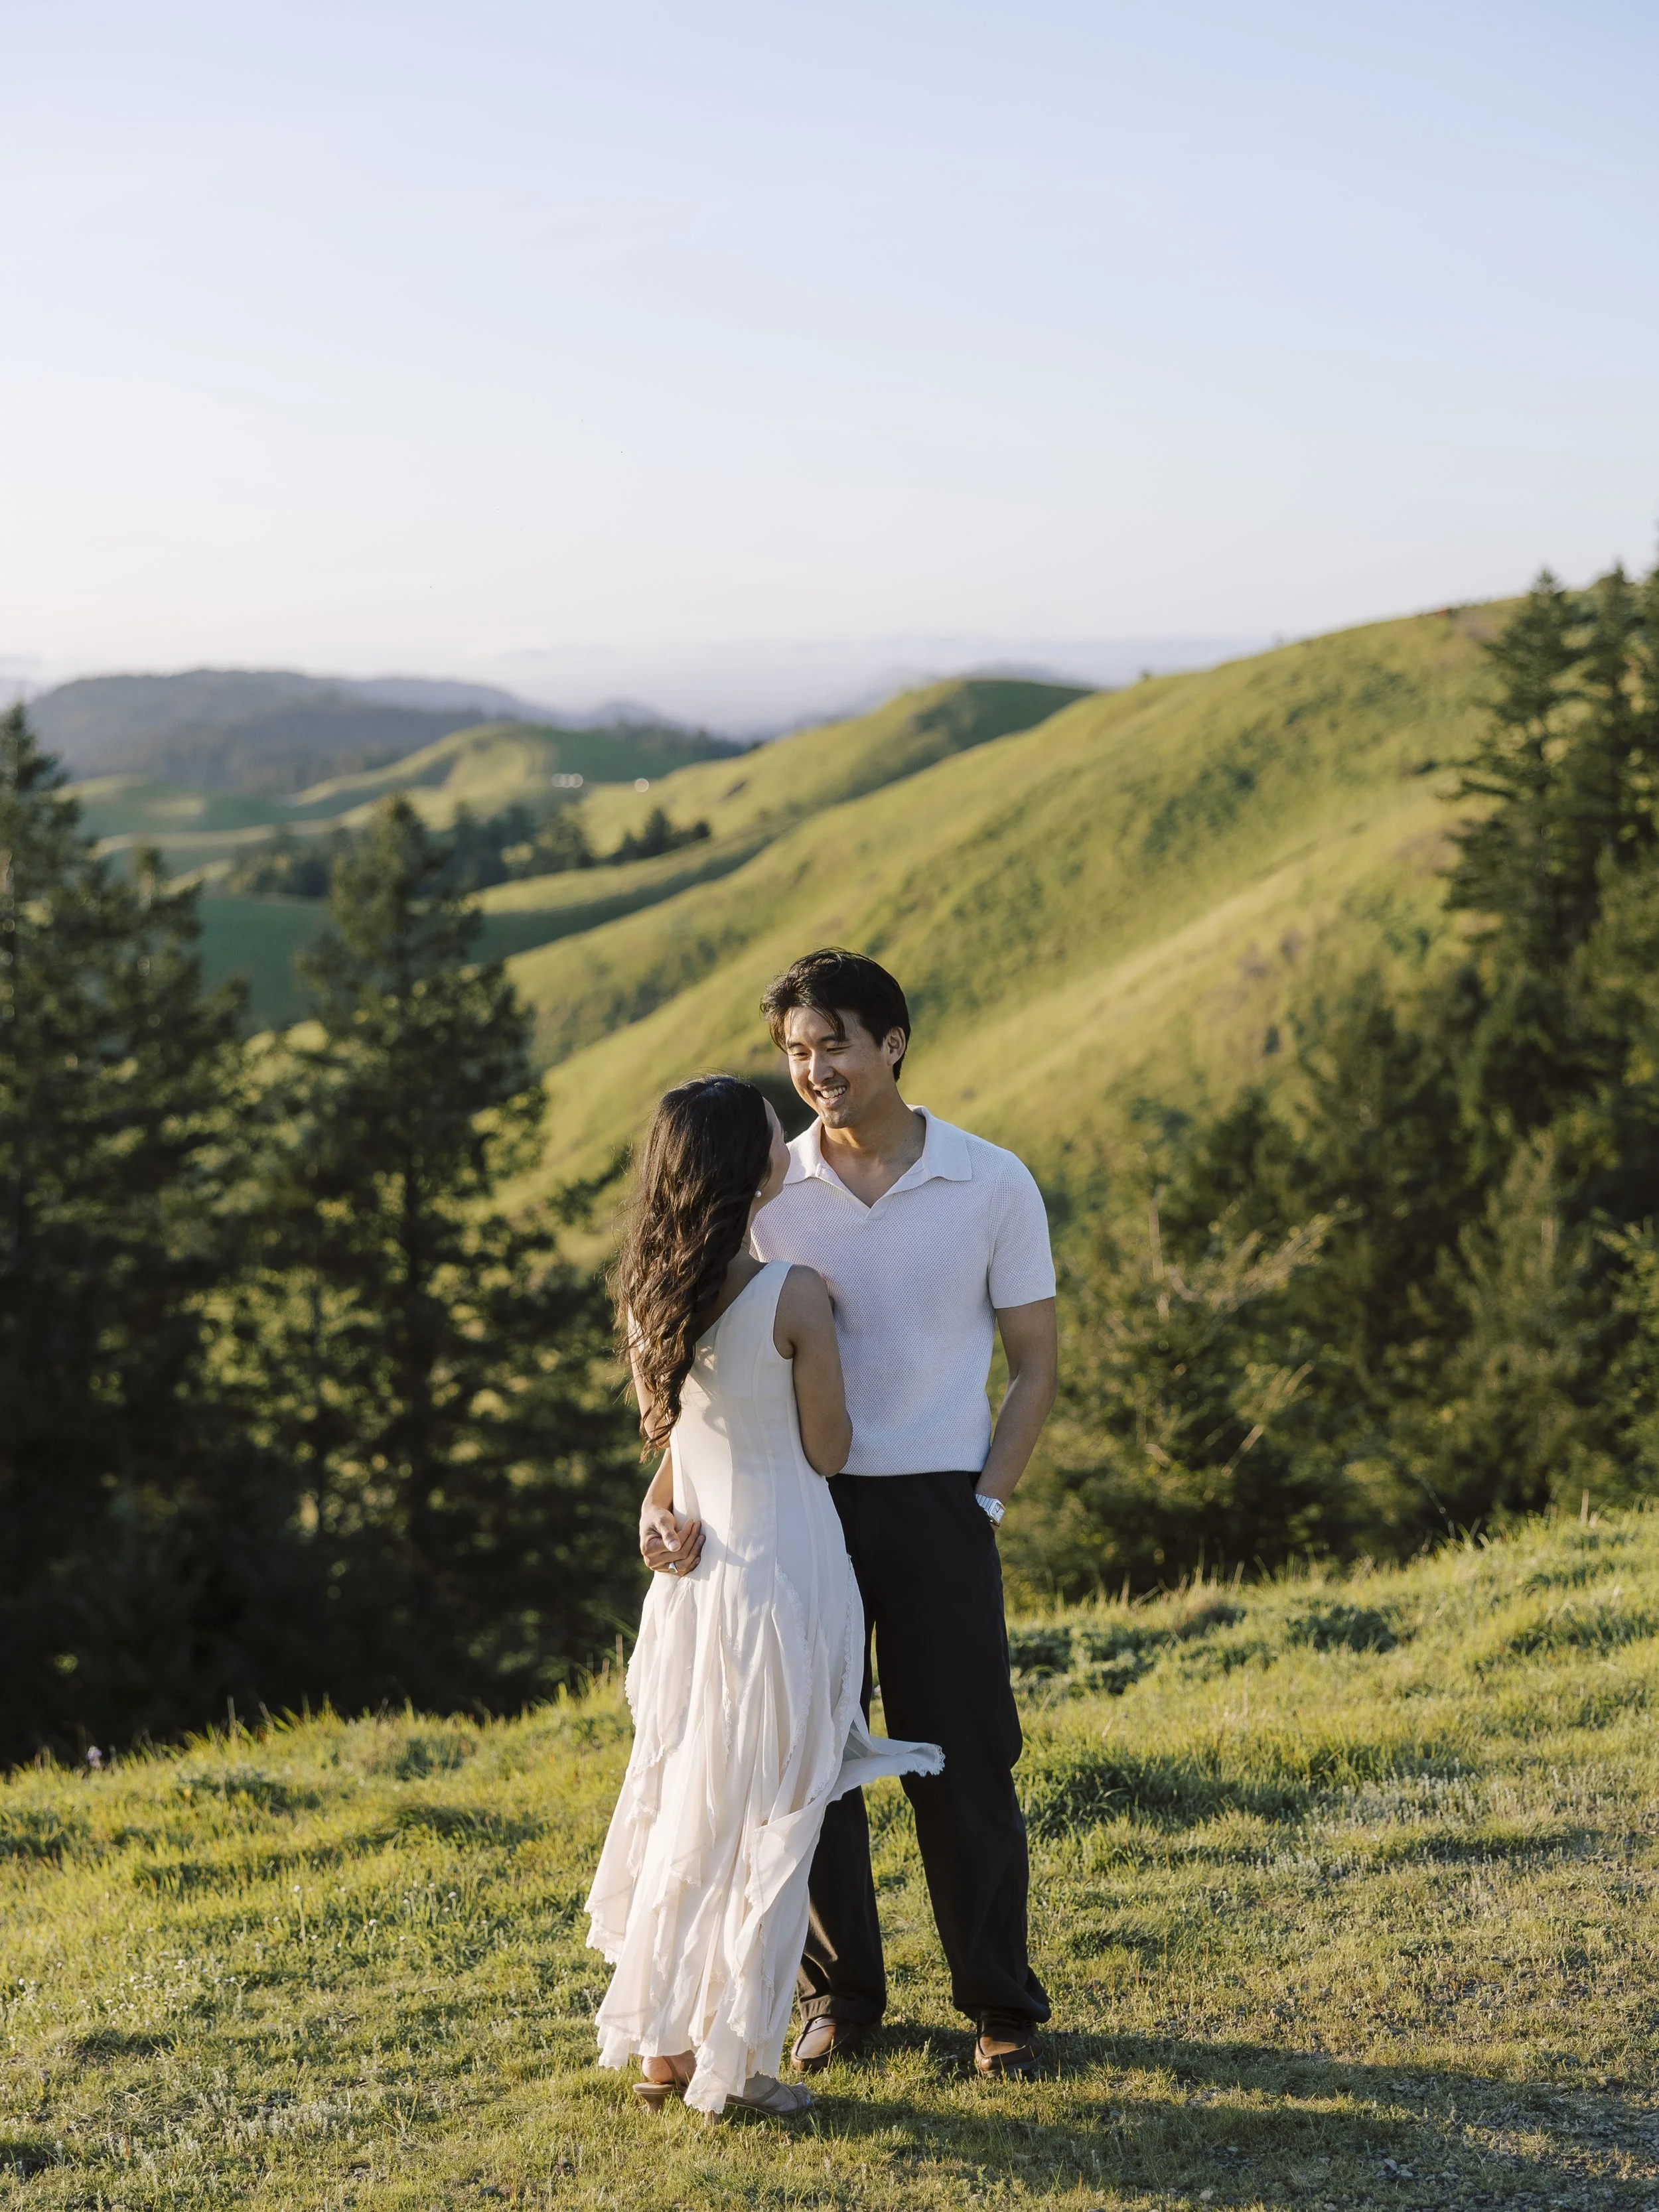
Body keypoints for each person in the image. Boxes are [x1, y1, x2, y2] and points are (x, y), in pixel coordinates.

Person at [585, 1074, 942, 2121]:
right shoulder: (792, 1292)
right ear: (756, 1166)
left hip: (700, 1589)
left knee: (696, 1808)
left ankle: (664, 2044)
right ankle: (738, 2059)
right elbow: (826, 1449)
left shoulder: (653, 1295)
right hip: (788, 1572)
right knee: (777, 1820)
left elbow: (682, 1453)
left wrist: (657, 1509)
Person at [753, 947, 1058, 2075]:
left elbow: (1035, 1364)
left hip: (940, 1505)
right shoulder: (769, 1193)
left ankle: (1000, 2005)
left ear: (892, 1041)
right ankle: (839, 1999)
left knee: (966, 1760)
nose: (816, 1068)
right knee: (812, 1761)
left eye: (834, 1042)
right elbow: (725, 1360)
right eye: (796, 1050)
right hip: (805, 1505)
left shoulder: (992, 1182)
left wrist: (982, 1499)